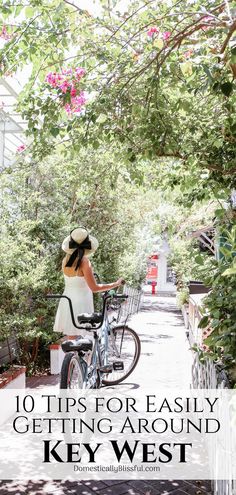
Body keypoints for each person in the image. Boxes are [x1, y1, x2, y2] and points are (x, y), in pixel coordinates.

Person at [53, 226, 124, 337]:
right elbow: (94, 288)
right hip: (81, 302)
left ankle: (71, 355)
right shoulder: (84, 261)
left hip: (67, 300)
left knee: (72, 339)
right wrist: (115, 284)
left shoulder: (65, 261)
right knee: (86, 337)